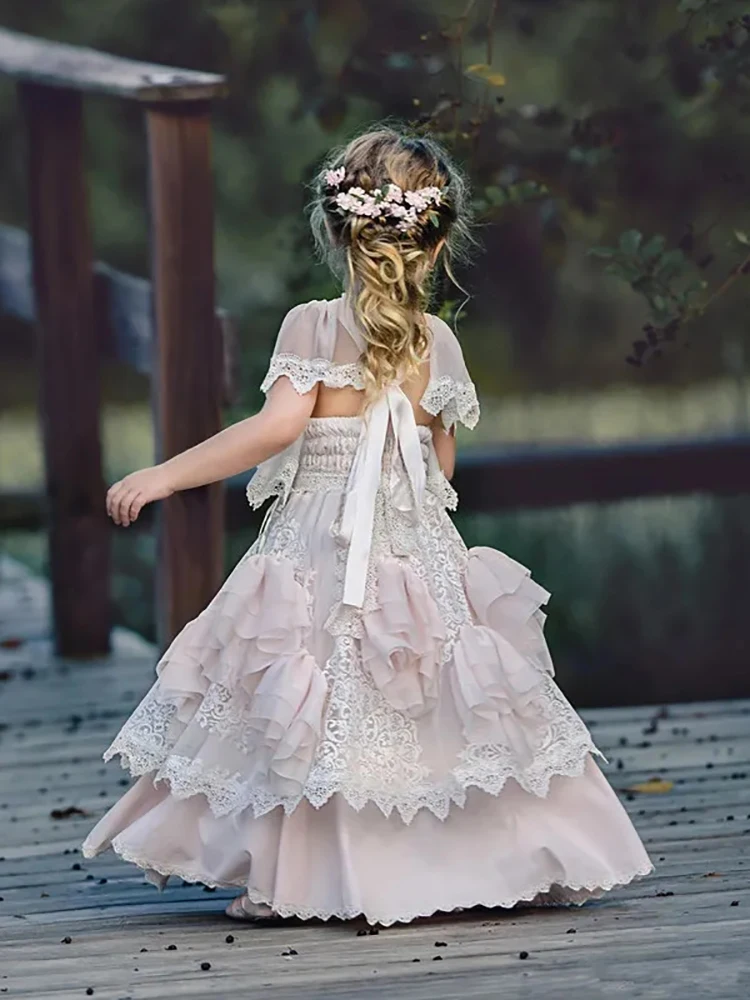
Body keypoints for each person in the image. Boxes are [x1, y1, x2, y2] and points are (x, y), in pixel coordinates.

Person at [82, 126, 653, 926]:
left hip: (321, 538)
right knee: (430, 692)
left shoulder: (313, 326)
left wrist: (163, 474)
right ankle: (480, 855)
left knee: (310, 689)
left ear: (337, 224)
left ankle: (314, 871)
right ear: (438, 237)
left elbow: (275, 430)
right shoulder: (437, 340)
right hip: (413, 540)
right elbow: (441, 466)